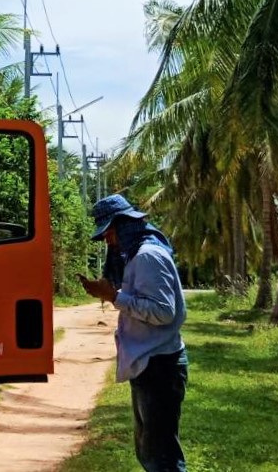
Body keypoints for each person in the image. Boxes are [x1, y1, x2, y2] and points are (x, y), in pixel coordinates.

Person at [79, 194, 188, 472]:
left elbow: (164, 311)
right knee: (150, 451)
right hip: (150, 364)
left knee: (161, 457)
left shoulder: (147, 257)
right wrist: (107, 293)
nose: (108, 242)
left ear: (124, 226)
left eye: (110, 234)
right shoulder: (137, 254)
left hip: (159, 366)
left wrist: (115, 298)